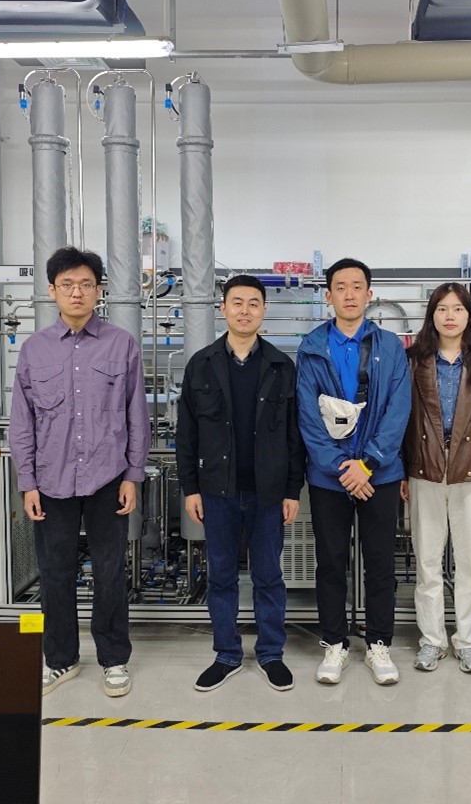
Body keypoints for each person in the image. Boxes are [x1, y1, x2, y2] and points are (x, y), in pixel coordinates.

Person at [10, 246, 150, 697]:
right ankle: (60, 659)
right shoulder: (34, 350)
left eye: (86, 284)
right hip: (52, 480)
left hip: (109, 478)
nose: (77, 292)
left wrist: (132, 475)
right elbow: (22, 423)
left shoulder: (120, 344)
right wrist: (28, 482)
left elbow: (136, 416)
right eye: (67, 284)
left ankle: (113, 658)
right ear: (52, 291)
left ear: (98, 291)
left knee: (109, 571)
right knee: (54, 572)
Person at [175, 275, 305, 692]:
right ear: (223, 309)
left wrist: (292, 490)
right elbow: (186, 433)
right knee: (221, 576)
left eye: (253, 303)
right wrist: (190, 488)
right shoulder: (202, 364)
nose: (245, 310)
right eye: (237, 302)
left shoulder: (282, 366)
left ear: (263, 310)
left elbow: (295, 434)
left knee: (268, 575)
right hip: (217, 491)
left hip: (268, 492)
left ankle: (271, 653)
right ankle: (227, 654)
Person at [296, 258, 411, 685]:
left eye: (357, 286)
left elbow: (398, 409)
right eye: (340, 287)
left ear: (369, 294)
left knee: (381, 562)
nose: (349, 294)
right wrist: (341, 468)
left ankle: (379, 643)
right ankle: (335, 644)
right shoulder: (311, 347)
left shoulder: (391, 346)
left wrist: (368, 464)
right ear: (328, 295)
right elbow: (307, 416)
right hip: (329, 478)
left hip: (380, 474)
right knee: (330, 562)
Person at [401, 282, 471, 674]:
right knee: (427, 563)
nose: (450, 316)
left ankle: (467, 641)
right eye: (442, 309)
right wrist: (402, 470)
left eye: (458, 309)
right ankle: (431, 641)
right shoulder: (414, 360)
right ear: (431, 315)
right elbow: (401, 420)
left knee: (469, 564)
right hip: (425, 472)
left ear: (469, 315)